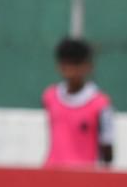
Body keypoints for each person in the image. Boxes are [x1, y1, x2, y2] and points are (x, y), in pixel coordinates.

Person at [42, 37, 114, 168]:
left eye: (76, 63)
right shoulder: (50, 97)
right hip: (52, 173)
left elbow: (107, 146)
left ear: (88, 66)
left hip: (84, 178)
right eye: (66, 63)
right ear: (60, 66)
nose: (71, 69)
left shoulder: (100, 104)